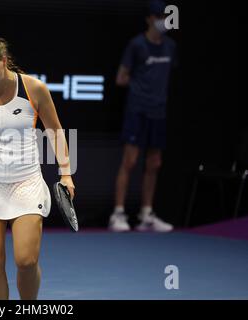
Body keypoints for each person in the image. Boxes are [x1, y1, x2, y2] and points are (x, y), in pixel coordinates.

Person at [0, 37, 75, 300]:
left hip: (26, 183)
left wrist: (66, 173)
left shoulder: (34, 88)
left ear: (4, 61)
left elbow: (55, 132)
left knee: (26, 260)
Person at [108, 0, 176, 232]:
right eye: (159, 16)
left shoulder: (170, 47)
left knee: (154, 163)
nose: (163, 20)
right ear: (149, 18)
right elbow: (121, 78)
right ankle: (118, 214)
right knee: (130, 161)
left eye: (166, 16)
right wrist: (141, 87)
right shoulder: (136, 45)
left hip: (159, 112)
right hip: (137, 110)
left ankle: (146, 214)